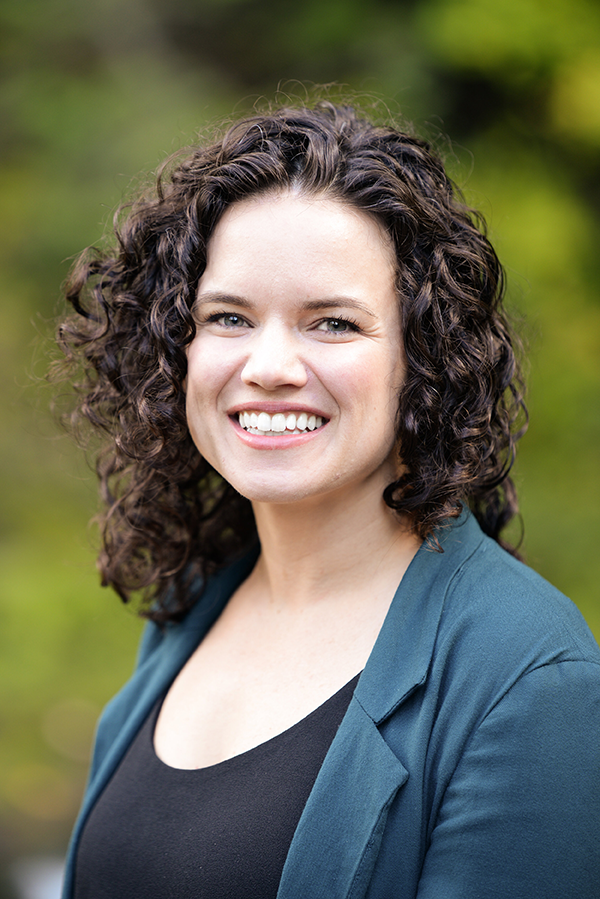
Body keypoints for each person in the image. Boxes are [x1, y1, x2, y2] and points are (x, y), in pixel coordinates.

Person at [56, 100, 600, 898]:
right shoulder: (192, 607)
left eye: (333, 323)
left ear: (425, 356)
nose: (269, 364)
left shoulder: (530, 678)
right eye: (229, 317)